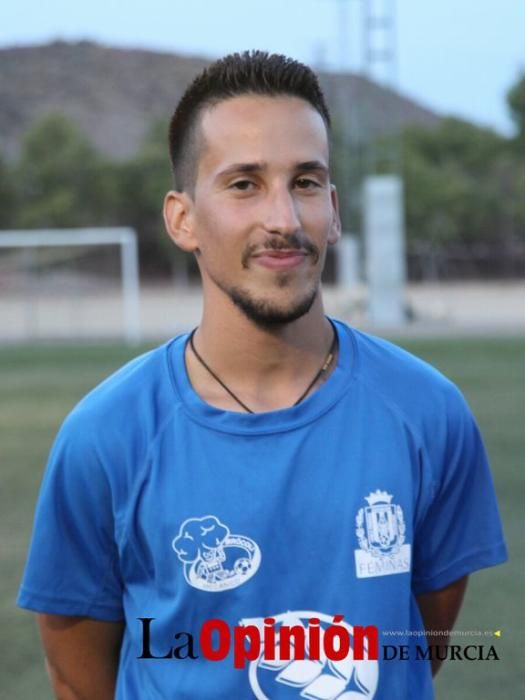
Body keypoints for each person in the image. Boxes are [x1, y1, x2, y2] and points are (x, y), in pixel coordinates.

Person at [18, 50, 507, 700]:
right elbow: (79, 678)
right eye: (243, 183)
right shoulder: (104, 437)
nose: (282, 218)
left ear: (332, 210)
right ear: (182, 218)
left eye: (304, 182)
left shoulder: (427, 413)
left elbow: (414, 645)